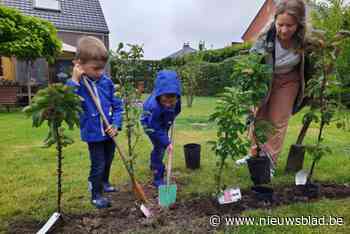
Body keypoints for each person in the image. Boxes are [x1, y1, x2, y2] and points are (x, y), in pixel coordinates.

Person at [236, 0, 309, 176]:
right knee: (258, 117)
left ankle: (269, 162)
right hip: (265, 79)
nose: (284, 30)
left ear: (299, 24)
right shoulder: (265, 38)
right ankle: (253, 155)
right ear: (275, 21)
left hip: (289, 81)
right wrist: (248, 79)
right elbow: (252, 60)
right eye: (280, 24)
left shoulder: (305, 41)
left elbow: (316, 59)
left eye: (289, 25)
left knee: (278, 121)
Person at [66, 36, 123, 208]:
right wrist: (74, 80)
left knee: (108, 160)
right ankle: (95, 193)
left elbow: (118, 106)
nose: (100, 72)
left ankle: (104, 182)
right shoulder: (79, 84)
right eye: (95, 68)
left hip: (108, 132)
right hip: (93, 133)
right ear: (79, 64)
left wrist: (116, 125)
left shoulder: (106, 83)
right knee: (98, 164)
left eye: (102, 68)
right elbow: (68, 101)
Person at [141, 70, 181, 188]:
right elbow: (156, 127)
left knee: (161, 145)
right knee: (160, 148)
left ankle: (154, 164)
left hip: (164, 121)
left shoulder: (176, 99)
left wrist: (171, 119)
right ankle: (158, 177)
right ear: (159, 97)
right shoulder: (153, 107)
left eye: (171, 101)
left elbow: (177, 110)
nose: (168, 104)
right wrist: (167, 142)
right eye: (165, 101)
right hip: (150, 124)